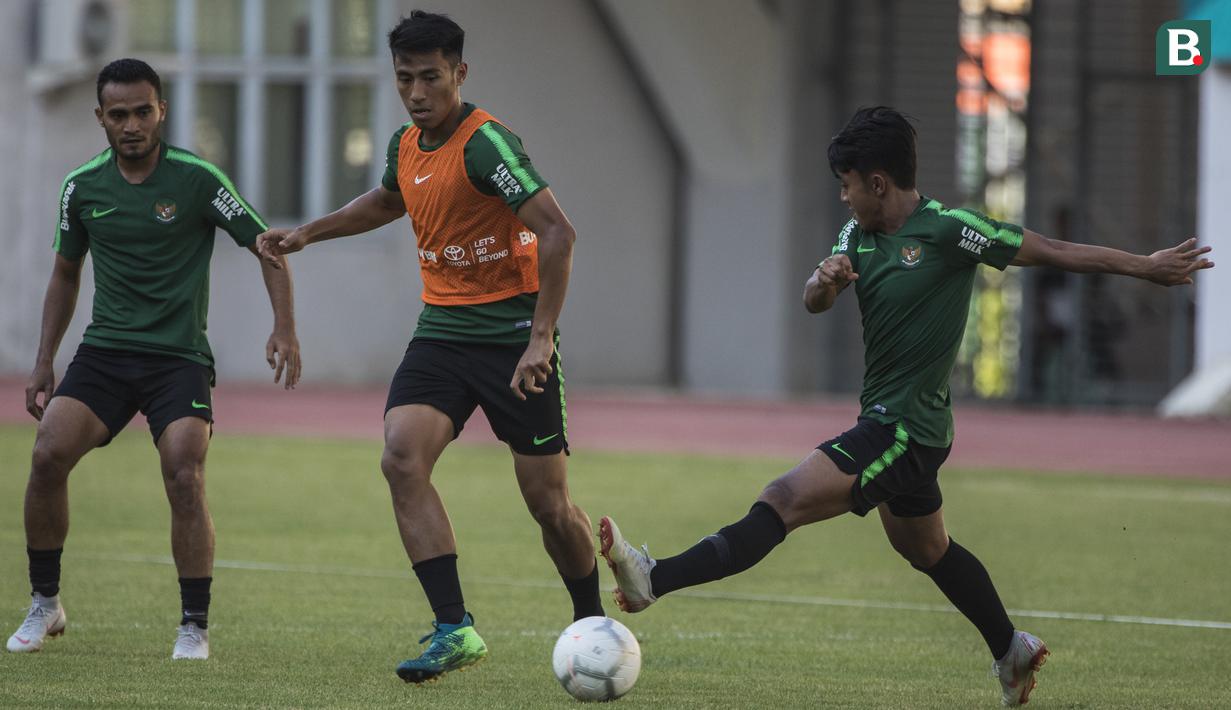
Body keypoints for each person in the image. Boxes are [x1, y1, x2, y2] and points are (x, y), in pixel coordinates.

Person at [599, 106, 1214, 707]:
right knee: (926, 549)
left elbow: (1048, 249)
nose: (842, 198)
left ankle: (656, 578)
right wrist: (826, 281)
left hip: (904, 430)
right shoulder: (854, 235)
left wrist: (1145, 266)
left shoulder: (950, 231)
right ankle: (1011, 648)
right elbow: (815, 300)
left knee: (783, 501)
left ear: (877, 182)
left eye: (846, 185)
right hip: (901, 425)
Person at [257, 11, 602, 684]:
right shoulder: (406, 144)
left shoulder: (487, 145)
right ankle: (454, 628)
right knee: (400, 457)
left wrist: (539, 338)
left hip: (510, 338)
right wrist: (309, 233)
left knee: (548, 506)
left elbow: (558, 233)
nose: (417, 92)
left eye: (431, 78)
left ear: (459, 74)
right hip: (442, 333)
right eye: (405, 79)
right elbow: (388, 202)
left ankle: (590, 620)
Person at [6, 58, 301, 661]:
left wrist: (285, 328)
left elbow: (266, 246)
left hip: (178, 359)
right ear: (101, 119)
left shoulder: (197, 179)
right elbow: (65, 274)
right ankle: (45, 603)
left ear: (161, 110)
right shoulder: (82, 187)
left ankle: (194, 625)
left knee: (184, 471)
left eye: (144, 111)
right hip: (106, 354)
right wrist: (43, 361)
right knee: (47, 455)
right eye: (119, 114)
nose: (133, 124)